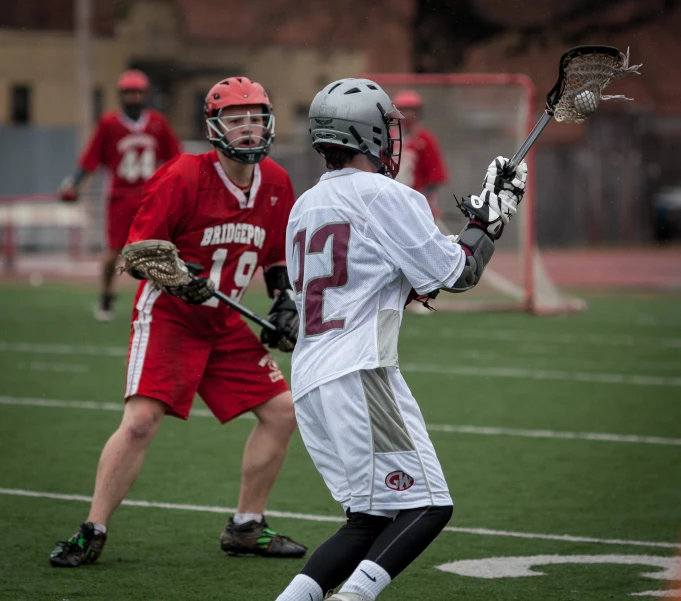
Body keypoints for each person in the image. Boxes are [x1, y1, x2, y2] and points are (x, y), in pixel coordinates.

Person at [275, 78, 527, 601]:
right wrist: (488, 223)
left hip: (310, 379)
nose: (395, 139)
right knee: (429, 505)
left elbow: (387, 276)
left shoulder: (305, 205)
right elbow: (457, 274)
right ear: (365, 133)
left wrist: (480, 220)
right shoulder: (386, 195)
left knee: (369, 518)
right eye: (387, 128)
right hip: (358, 370)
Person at [50, 76, 306, 568]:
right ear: (215, 127)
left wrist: (283, 301)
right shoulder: (183, 175)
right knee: (142, 422)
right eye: (237, 119)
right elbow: (138, 251)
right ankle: (93, 528)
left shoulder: (276, 181)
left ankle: (247, 526)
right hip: (170, 317)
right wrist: (177, 277)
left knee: (282, 412)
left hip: (226, 323)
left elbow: (275, 254)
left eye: (256, 118)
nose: (249, 128)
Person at [58, 69, 182, 321]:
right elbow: (91, 158)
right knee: (113, 251)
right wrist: (74, 183)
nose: (133, 97)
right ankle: (105, 296)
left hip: (151, 198)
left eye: (137, 92)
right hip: (120, 198)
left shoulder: (157, 123)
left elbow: (176, 160)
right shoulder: (109, 124)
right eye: (128, 92)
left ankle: (158, 299)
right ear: (121, 95)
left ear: (145, 94)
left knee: (157, 250)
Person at [392, 89, 449, 221]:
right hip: (392, 200)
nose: (407, 115)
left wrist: (425, 202)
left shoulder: (425, 140)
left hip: (417, 203)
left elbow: (435, 176)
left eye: (411, 110)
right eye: (403, 110)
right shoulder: (388, 138)